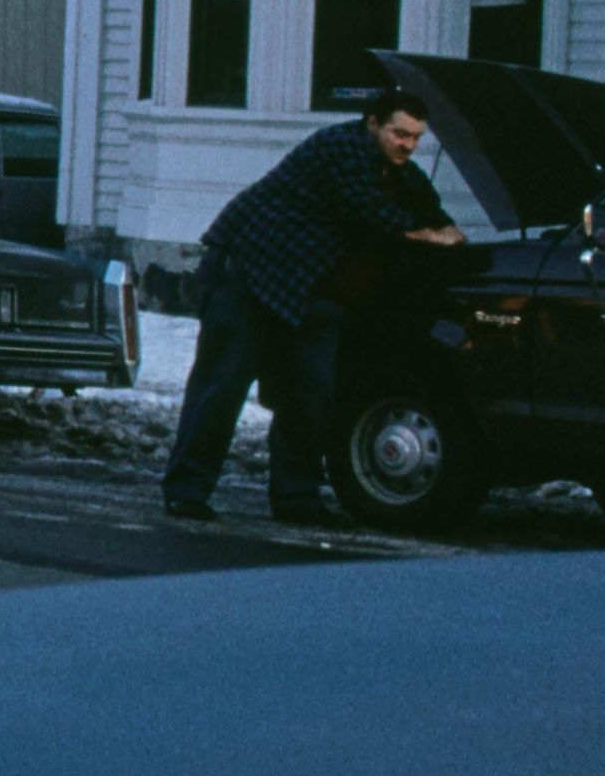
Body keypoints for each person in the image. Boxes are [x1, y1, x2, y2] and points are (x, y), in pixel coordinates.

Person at [163, 92, 462, 523]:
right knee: (223, 384)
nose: (407, 145)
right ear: (373, 123)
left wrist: (447, 231)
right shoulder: (337, 148)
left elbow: (431, 211)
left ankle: (296, 498)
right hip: (249, 272)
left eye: (416, 138)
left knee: (312, 393)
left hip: (311, 291)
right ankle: (186, 490)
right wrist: (430, 236)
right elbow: (371, 213)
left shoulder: (400, 172)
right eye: (399, 133)